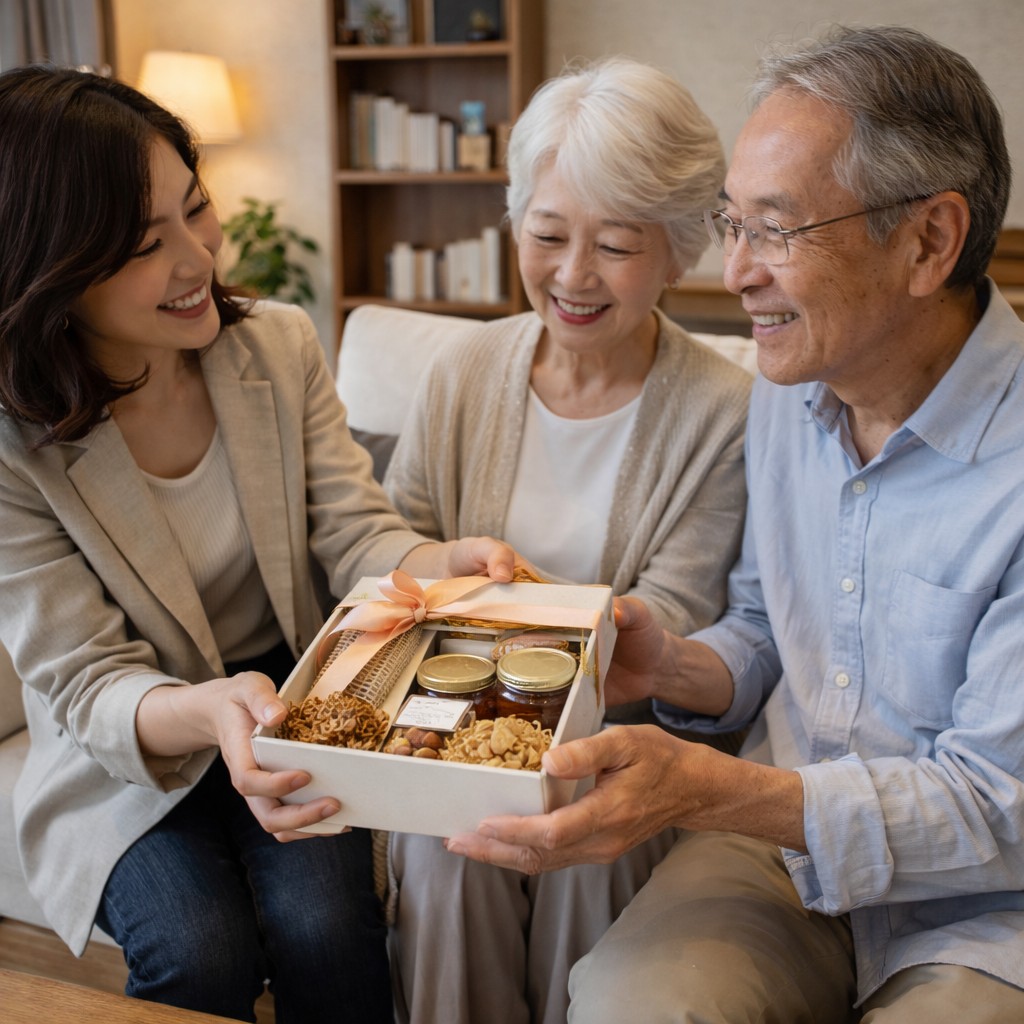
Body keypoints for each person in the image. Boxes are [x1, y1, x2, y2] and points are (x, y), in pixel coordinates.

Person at [443, 25, 1024, 1024]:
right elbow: (763, 627)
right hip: (777, 859)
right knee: (627, 1001)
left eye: (775, 229)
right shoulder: (786, 394)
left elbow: (996, 806)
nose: (738, 270)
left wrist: (705, 789)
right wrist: (668, 664)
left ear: (928, 240)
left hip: (983, 907)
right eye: (730, 225)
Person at [0, 65, 516, 1023]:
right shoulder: (11, 444)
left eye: (197, 211)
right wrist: (209, 711)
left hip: (290, 705)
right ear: (54, 269)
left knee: (327, 931)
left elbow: (355, 533)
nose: (199, 257)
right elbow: (83, 683)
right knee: (198, 953)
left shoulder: (275, 348)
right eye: (147, 244)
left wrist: (439, 561)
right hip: (127, 744)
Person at [383, 57, 753, 1024]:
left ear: (679, 250)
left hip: (620, 741)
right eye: (547, 235)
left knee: (597, 843)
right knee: (443, 844)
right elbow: (400, 541)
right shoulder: (462, 370)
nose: (572, 276)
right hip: (450, 731)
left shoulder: (725, 411)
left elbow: (678, 609)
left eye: (617, 246)